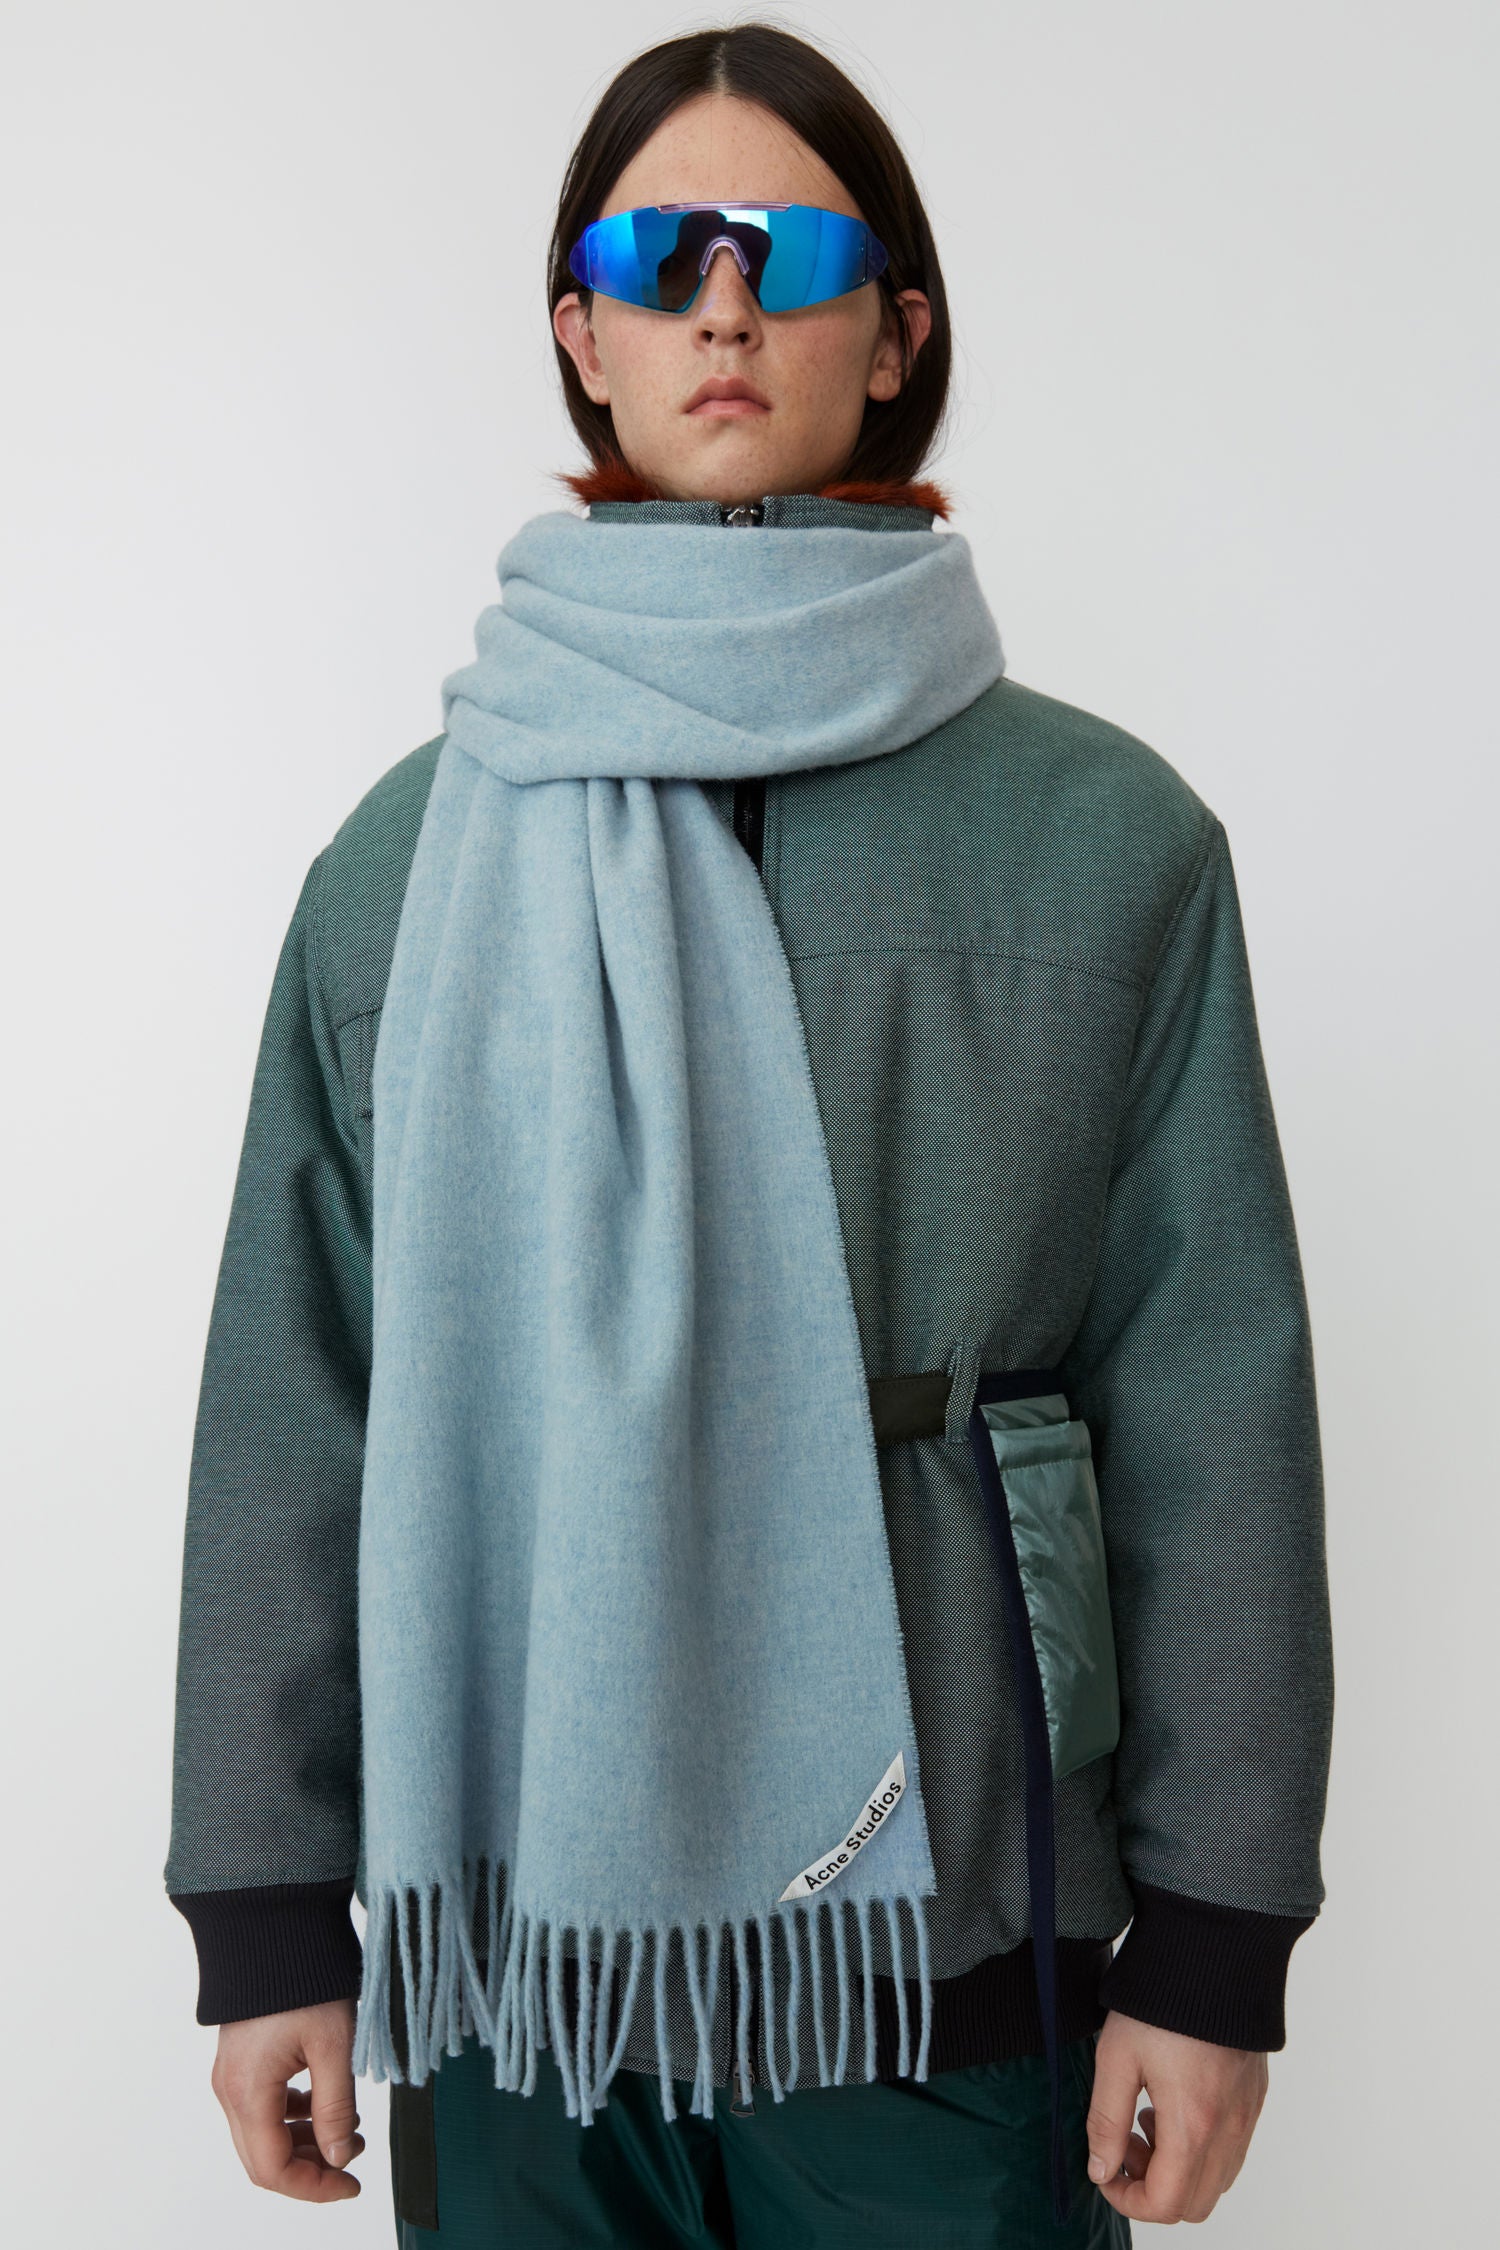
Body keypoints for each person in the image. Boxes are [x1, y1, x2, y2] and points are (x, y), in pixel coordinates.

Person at [165, 23, 1334, 2245]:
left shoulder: (1111, 842)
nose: (723, 305)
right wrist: (266, 1905)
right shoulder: (403, 865)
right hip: (518, 1953)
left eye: (786, 253)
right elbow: (295, 1405)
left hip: (954, 1933)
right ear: (580, 334)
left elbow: (1216, 1414)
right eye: (658, 256)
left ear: (896, 335)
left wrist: (1215, 1941)